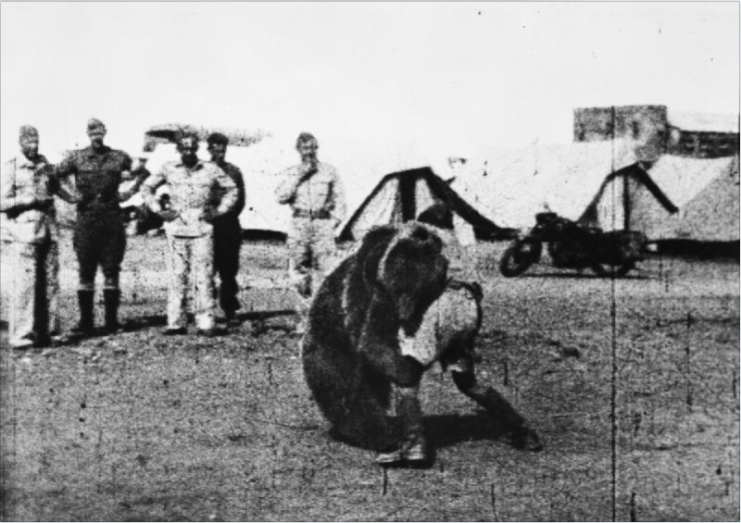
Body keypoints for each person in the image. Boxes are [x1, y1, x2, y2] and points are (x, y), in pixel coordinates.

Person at [55, 118, 148, 335]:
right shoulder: (76, 158)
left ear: (105, 132)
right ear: (88, 134)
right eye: (92, 131)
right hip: (86, 220)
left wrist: (130, 192)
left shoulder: (118, 156)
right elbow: (53, 177)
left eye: (99, 131)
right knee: (85, 271)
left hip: (112, 220)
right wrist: (69, 197)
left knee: (111, 270)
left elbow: (142, 172)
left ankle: (111, 322)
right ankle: (86, 321)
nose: (96, 135)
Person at [142, 131, 238, 336]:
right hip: (176, 229)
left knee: (203, 277)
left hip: (202, 229)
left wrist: (219, 210)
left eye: (192, 147)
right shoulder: (169, 169)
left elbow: (232, 190)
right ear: (178, 150)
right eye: (184, 148)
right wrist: (159, 210)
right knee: (177, 276)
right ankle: (176, 322)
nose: (188, 151)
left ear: (197, 149)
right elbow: (147, 187)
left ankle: (205, 323)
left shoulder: (210, 169)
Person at [0, 126, 77, 349]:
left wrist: (71, 193)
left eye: (36, 141)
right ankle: (21, 335)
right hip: (23, 234)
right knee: (24, 287)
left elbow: (60, 190)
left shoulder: (45, 166)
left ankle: (49, 332)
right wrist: (29, 201)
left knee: (51, 284)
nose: (34, 146)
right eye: (29, 142)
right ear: (20, 142)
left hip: (48, 231)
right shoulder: (11, 168)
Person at [275, 132, 346, 332]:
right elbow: (281, 197)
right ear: (298, 150)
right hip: (299, 222)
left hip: (322, 223)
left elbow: (340, 201)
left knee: (326, 271)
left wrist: (333, 224)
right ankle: (304, 320)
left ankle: (323, 320)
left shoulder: (329, 172)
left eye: (313, 147)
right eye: (305, 148)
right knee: (299, 272)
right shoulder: (292, 172)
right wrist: (299, 177)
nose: (310, 152)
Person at [206, 133, 246, 325]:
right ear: (209, 149)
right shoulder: (203, 171)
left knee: (228, 270)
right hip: (206, 225)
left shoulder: (234, 171)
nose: (219, 153)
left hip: (228, 225)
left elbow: (240, 200)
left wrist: (225, 214)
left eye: (222, 150)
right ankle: (205, 311)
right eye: (215, 149)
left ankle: (229, 309)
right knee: (206, 269)